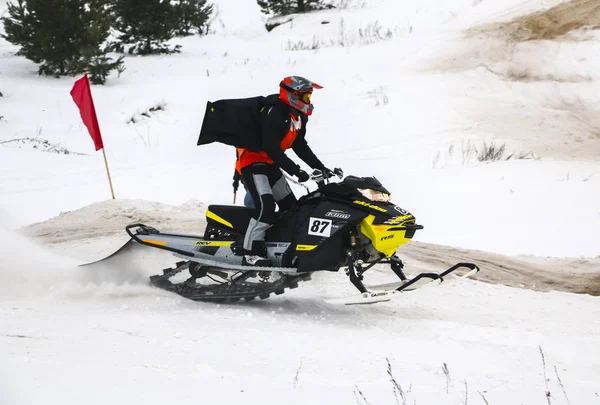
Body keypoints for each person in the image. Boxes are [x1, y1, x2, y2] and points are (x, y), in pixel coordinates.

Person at [235, 76, 338, 267]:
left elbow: (300, 145)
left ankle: (277, 245)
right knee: (265, 206)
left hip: (271, 163)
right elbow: (272, 148)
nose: (309, 100)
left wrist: (320, 168)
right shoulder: (274, 112)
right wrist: (296, 171)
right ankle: (250, 253)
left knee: (292, 208)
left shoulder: (299, 115)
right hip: (253, 162)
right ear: (293, 95)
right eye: (306, 96)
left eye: (309, 96)